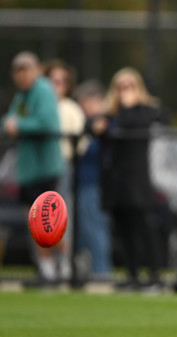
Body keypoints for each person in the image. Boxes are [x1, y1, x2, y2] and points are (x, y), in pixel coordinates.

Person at [91, 67, 168, 290]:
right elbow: (91, 126)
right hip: (115, 182)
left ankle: (154, 275)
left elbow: (152, 118)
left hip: (137, 181)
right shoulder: (110, 115)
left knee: (143, 227)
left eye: (129, 86)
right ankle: (132, 275)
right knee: (123, 230)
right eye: (121, 87)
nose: (125, 92)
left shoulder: (144, 111)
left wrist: (130, 105)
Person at [1, 51, 67, 283]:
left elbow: (47, 122)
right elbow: (9, 120)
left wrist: (18, 125)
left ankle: (67, 263)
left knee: (49, 222)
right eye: (18, 71)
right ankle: (47, 269)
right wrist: (11, 124)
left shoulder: (43, 90)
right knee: (36, 222)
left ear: (35, 70)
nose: (22, 75)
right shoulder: (22, 96)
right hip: (28, 170)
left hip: (46, 169)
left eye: (26, 70)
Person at [44, 59, 86, 281]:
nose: (57, 85)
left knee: (60, 216)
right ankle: (46, 267)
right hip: (39, 169)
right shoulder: (38, 106)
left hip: (61, 166)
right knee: (38, 217)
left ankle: (67, 263)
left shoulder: (70, 109)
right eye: (52, 81)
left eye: (61, 81)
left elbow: (81, 142)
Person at [73, 79, 113, 281]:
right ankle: (88, 272)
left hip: (95, 184)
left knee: (95, 228)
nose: (84, 107)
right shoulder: (85, 126)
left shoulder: (106, 123)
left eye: (88, 102)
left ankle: (102, 273)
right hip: (82, 184)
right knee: (82, 232)